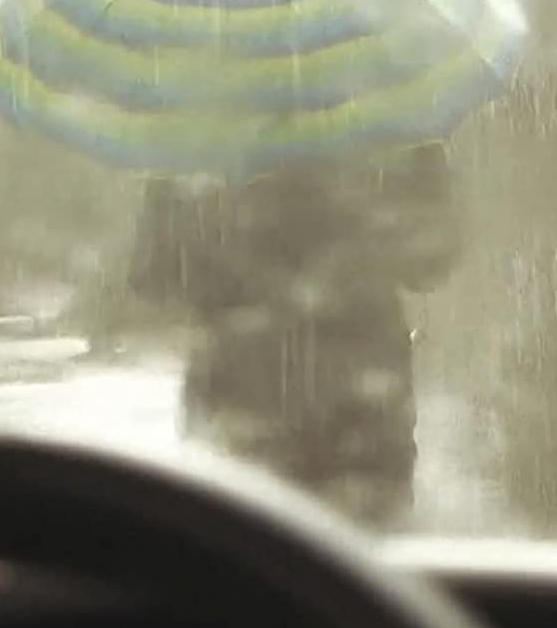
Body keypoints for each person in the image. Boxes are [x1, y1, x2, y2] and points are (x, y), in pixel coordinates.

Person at [128, 142, 463, 527]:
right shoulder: (384, 123)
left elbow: (154, 274)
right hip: (355, 409)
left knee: (238, 548)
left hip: (250, 406)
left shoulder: (199, 127)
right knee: (356, 555)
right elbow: (431, 261)